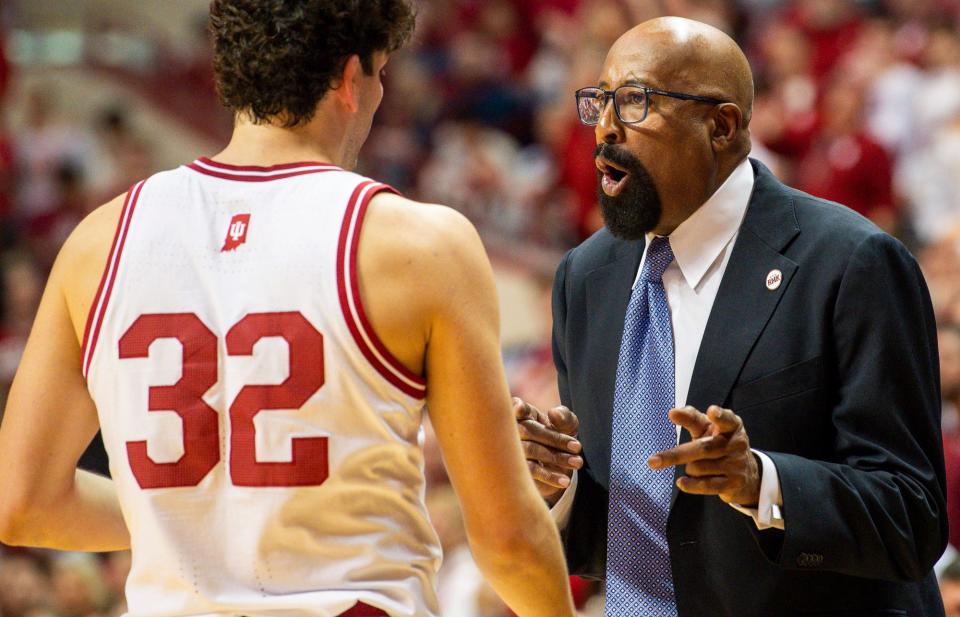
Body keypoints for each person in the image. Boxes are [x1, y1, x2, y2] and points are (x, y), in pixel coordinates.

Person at [0, 2, 577, 617]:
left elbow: (21, 502)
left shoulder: (98, 240)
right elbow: (508, 541)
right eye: (380, 74)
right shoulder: (419, 244)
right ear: (350, 79)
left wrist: (196, 515)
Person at [515, 16, 946, 616]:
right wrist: (550, 485)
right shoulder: (586, 277)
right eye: (601, 101)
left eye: (636, 101)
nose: (606, 127)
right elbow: (625, 539)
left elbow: (911, 516)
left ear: (720, 125)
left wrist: (761, 481)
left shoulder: (851, 263)